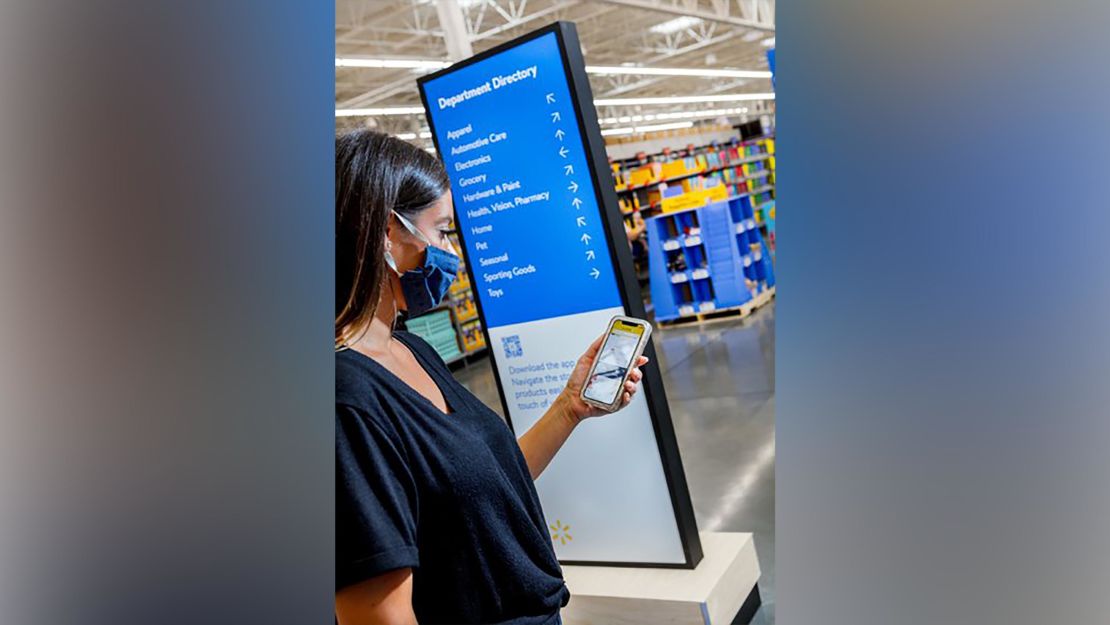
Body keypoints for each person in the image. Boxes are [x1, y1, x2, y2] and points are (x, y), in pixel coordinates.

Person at [335, 130, 649, 625]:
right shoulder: (345, 399)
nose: (447, 251)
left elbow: (485, 485)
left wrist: (571, 406)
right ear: (385, 235)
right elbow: (379, 615)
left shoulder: (409, 348)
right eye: (439, 231)